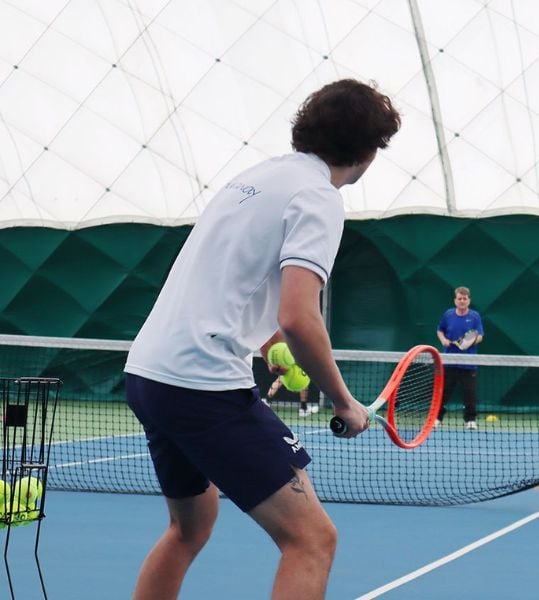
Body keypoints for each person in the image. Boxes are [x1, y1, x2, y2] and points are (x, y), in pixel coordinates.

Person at [123, 79, 401, 600]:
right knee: (312, 539)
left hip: (148, 374)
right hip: (201, 384)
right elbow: (300, 316)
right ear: (368, 152)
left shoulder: (253, 179)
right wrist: (345, 402)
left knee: (191, 527)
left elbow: (240, 285)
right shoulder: (320, 198)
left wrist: (270, 344)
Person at [435, 286, 484, 429]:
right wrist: (443, 340)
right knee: (443, 392)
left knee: (470, 394)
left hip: (468, 363)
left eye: (465, 299)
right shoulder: (448, 315)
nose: (462, 301)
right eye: (459, 298)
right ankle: (437, 418)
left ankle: (470, 420)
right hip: (449, 361)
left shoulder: (475, 316)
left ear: (469, 300)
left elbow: (480, 336)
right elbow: (440, 330)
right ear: (455, 300)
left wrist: (469, 342)